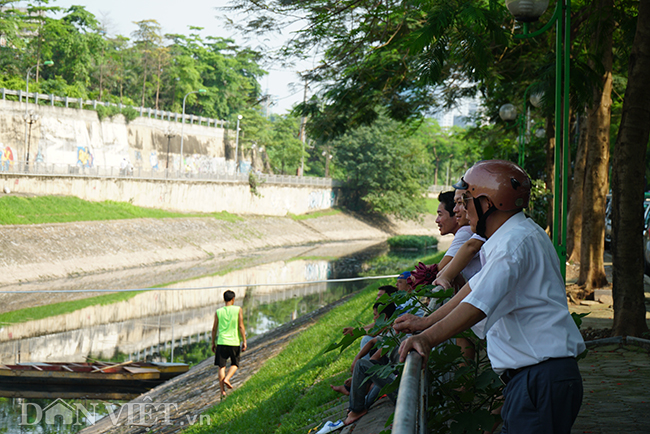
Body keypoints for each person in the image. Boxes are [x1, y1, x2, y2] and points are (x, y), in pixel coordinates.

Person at [395, 160, 585, 434]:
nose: (461, 210)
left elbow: (476, 305)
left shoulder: (512, 244)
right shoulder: (517, 235)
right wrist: (426, 323)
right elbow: (471, 290)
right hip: (538, 377)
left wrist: (427, 339)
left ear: (488, 203)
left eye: (466, 202)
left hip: (539, 378)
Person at [211, 290, 247, 398]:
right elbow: (241, 326)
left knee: (221, 367)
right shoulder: (238, 310)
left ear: (224, 299)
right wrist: (244, 340)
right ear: (233, 299)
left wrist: (213, 343)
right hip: (234, 342)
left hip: (221, 342)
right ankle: (227, 378)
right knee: (235, 364)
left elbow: (214, 329)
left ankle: (222, 391)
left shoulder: (218, 312)